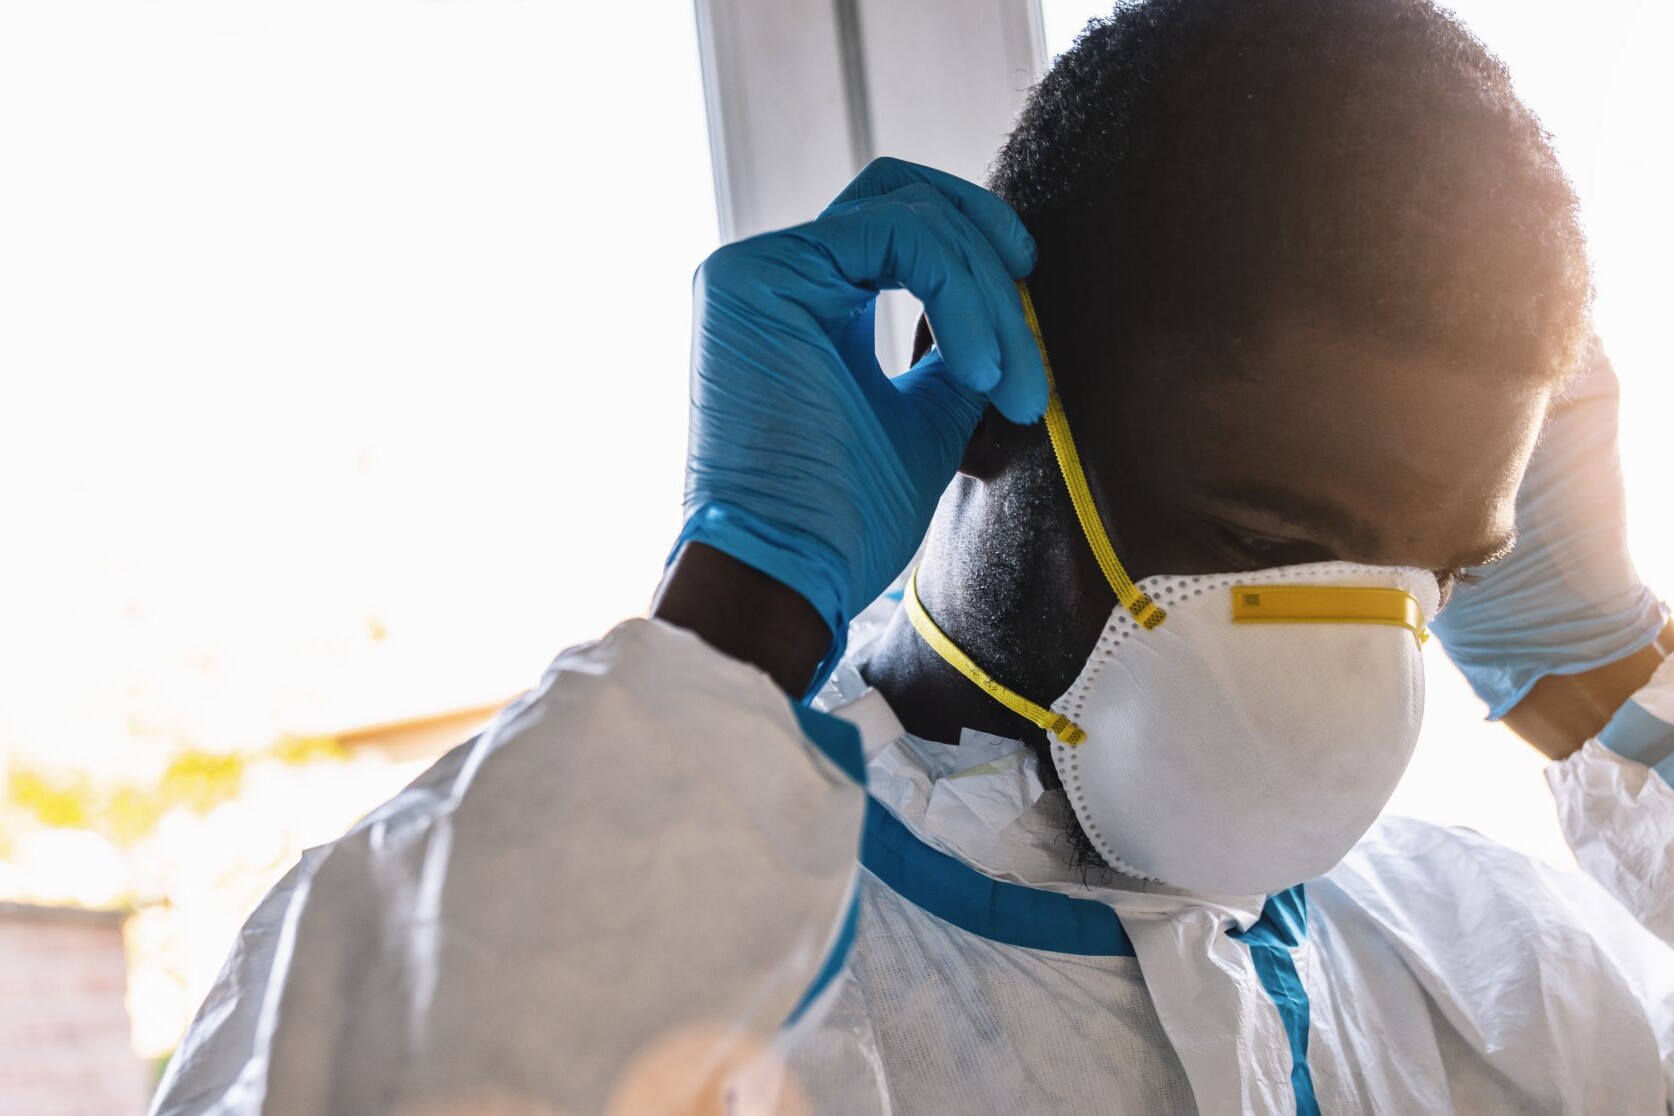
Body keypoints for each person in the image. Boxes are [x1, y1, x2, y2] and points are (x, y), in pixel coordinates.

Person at [152, 1, 1674, 1113]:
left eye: (1436, 575)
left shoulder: (1503, 976)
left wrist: (1613, 692)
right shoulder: (644, 937)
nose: (1357, 660)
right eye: (1261, 542)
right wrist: (733, 620)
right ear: (1007, 404)